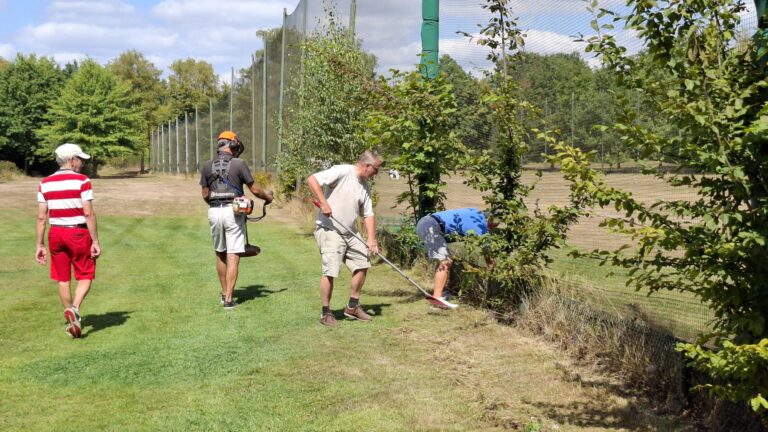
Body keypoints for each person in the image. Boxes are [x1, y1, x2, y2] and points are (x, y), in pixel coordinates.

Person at [307, 150, 383, 326]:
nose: (376, 174)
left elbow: (368, 214)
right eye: (376, 169)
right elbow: (312, 179)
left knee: (363, 263)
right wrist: (324, 202)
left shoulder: (364, 185)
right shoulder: (342, 171)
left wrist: (371, 239)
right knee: (331, 270)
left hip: (350, 231)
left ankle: (352, 307)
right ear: (367, 166)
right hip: (329, 228)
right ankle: (326, 312)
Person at [200, 131, 273, 310]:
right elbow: (254, 189)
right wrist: (268, 197)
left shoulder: (207, 165)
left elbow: (205, 194)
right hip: (233, 212)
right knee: (233, 255)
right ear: (232, 144)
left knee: (220, 252)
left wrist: (218, 202)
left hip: (214, 211)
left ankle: (224, 293)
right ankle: (229, 300)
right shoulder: (239, 164)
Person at [36, 143, 101, 338]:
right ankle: (74, 308)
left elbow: (41, 217)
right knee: (86, 274)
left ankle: (74, 321)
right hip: (78, 233)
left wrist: (39, 245)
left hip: (55, 233)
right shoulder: (82, 181)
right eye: (79, 159)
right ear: (71, 160)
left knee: (62, 278)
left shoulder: (45, 182)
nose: (81, 163)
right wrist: (95, 240)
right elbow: (88, 213)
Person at [416, 207, 497, 309]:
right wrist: (492, 266)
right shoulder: (478, 222)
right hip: (431, 227)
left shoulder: (474, 212)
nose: (492, 228)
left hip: (426, 223)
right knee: (445, 262)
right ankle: (437, 298)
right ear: (490, 219)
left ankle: (438, 293)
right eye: (494, 225)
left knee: (444, 260)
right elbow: (485, 247)